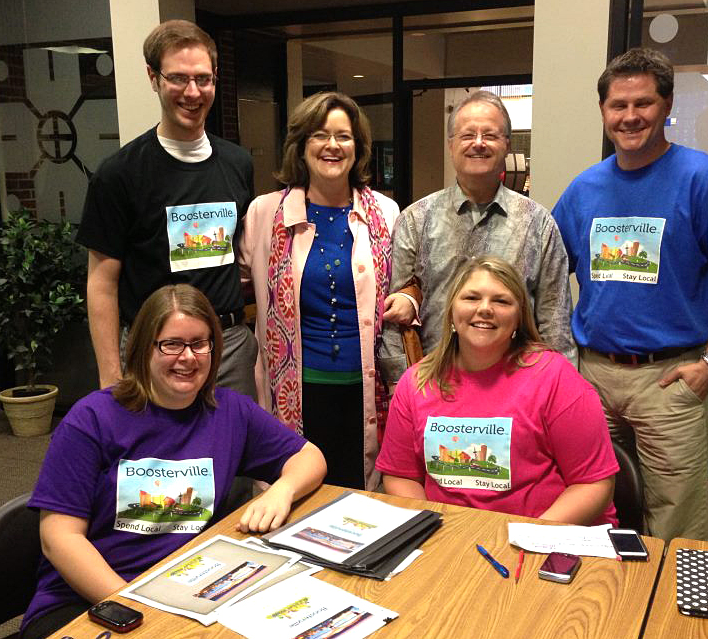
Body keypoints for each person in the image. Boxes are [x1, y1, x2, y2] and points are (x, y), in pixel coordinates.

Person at [19, 284, 325, 639]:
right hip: (89, 601)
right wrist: (136, 607)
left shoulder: (229, 411)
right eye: (172, 344)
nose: (188, 357)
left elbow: (310, 457)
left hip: (187, 592)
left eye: (199, 343)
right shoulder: (92, 418)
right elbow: (59, 538)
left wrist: (282, 490)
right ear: (143, 348)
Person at [551, 48, 708, 541]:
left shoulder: (705, 179)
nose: (630, 116)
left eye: (643, 103)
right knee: (593, 507)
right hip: (592, 377)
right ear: (603, 111)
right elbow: (548, 275)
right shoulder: (584, 189)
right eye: (618, 105)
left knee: (676, 525)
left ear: (666, 106)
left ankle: (668, 595)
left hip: (670, 378)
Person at [77, 20, 257, 398]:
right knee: (154, 439)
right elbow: (102, 284)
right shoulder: (119, 174)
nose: (192, 92)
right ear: (153, 78)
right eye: (178, 78)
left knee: (233, 438)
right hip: (154, 350)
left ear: (215, 78)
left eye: (203, 79)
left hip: (228, 347)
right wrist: (110, 377)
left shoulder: (238, 164)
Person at [376, 257, 617, 526]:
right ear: (452, 311)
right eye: (471, 298)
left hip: (541, 534)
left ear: (518, 318)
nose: (485, 309)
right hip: (447, 536)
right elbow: (401, 475)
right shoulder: (416, 383)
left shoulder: (556, 378)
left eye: (501, 301)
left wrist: (529, 535)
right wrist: (432, 529)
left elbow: (593, 483)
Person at [238, 92, 399, 491]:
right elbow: (236, 283)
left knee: (363, 498)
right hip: (297, 391)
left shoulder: (386, 212)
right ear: (301, 144)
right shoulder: (264, 214)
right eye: (320, 135)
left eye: (343, 136)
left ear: (357, 147)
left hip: (367, 390)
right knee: (299, 495)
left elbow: (405, 285)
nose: (332, 145)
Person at [379, 90, 576, 389]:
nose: (479, 143)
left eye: (490, 135)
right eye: (468, 134)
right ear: (451, 144)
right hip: (435, 384)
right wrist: (403, 387)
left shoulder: (538, 224)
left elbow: (555, 321)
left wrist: (559, 390)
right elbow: (395, 319)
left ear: (507, 144)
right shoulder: (416, 219)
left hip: (517, 388)